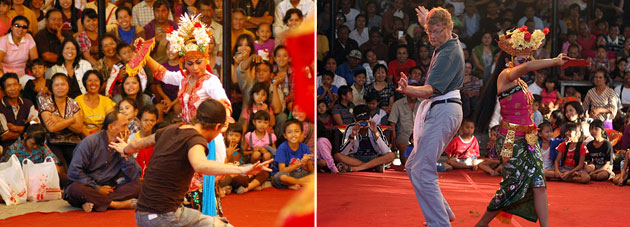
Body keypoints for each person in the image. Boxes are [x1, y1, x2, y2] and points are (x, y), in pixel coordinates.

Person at [109, 99, 271, 226]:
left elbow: (140, 143)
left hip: (143, 213)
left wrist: (125, 149)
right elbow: (201, 165)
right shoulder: (195, 140)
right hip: (164, 216)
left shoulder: (172, 129)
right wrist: (242, 169)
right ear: (216, 126)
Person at [475, 25, 570, 226]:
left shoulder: (521, 83)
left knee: (539, 183)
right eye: (521, 59)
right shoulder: (505, 76)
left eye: (528, 59)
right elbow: (527, 68)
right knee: (511, 185)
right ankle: (482, 223)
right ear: (510, 60)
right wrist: (554, 60)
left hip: (530, 139)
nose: (525, 63)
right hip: (510, 140)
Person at [64, 111, 140, 212]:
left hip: (109, 189)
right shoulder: (90, 142)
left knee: (140, 187)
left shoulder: (123, 145)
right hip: (87, 186)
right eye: (124, 126)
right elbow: (74, 171)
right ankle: (116, 204)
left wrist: (125, 153)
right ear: (111, 127)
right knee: (75, 189)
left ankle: (93, 202)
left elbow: (134, 177)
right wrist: (97, 188)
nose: (127, 130)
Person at [40, 73, 84, 169]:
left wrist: (59, 120)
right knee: (59, 165)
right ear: (51, 87)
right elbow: (52, 128)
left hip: (72, 141)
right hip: (52, 141)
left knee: (78, 165)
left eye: (63, 84)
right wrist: (72, 120)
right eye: (56, 85)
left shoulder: (74, 103)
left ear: (68, 86)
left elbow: (79, 129)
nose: (60, 87)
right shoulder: (46, 103)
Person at [334, 104, 394, 172]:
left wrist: (375, 133)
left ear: (369, 118)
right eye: (360, 120)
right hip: (355, 158)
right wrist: (352, 136)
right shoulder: (350, 128)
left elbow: (386, 151)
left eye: (365, 120)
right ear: (355, 119)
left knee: (391, 155)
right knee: (337, 156)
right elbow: (343, 153)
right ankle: (372, 167)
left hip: (374, 158)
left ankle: (356, 168)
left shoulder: (375, 127)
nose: (363, 123)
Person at [0, 73, 38, 151]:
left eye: (15, 84)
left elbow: (36, 128)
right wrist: (27, 128)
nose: (13, 88)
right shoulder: (0, 107)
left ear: (20, 86)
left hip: (31, 146)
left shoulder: (28, 103)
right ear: (3, 90)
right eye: (8, 86)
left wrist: (15, 128)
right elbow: (4, 136)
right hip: (9, 148)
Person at [272, 119, 313, 189]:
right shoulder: (282, 148)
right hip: (284, 174)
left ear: (301, 134)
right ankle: (303, 183)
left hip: (297, 174)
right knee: (281, 177)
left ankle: (292, 183)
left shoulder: (304, 147)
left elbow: (311, 169)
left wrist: (307, 162)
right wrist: (299, 164)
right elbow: (282, 170)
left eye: (296, 131)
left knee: (314, 175)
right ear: (285, 135)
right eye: (289, 132)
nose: (293, 135)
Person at [75, 70, 116, 136]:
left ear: (100, 83)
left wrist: (98, 136)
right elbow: (79, 125)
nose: (93, 83)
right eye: (89, 80)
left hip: (103, 136)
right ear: (85, 83)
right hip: (83, 137)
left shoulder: (106, 101)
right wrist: (90, 139)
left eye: (96, 80)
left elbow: (111, 122)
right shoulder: (78, 100)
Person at [143, 0, 178, 64]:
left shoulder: (175, 27)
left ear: (168, 12)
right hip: (155, 65)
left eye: (163, 11)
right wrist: (155, 41)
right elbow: (144, 52)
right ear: (153, 12)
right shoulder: (148, 29)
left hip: (173, 63)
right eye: (157, 11)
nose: (160, 14)